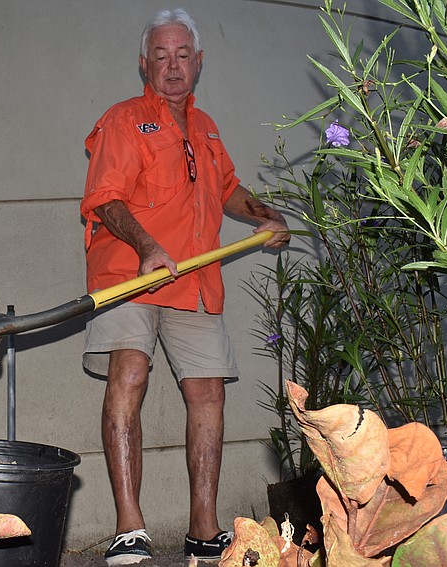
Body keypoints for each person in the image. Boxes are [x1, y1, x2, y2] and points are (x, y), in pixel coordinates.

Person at [80, 9, 290, 565]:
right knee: (130, 371)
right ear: (144, 64)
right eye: (160, 56)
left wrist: (267, 215)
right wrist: (147, 246)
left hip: (195, 279)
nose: (172, 66)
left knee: (209, 393)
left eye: (182, 56)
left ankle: (204, 530)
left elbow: (227, 189)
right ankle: (129, 528)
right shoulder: (124, 120)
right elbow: (105, 198)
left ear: (198, 63)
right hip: (130, 273)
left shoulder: (207, 128)